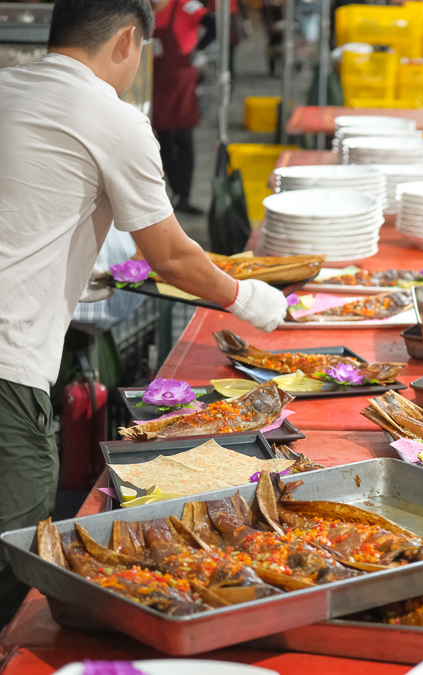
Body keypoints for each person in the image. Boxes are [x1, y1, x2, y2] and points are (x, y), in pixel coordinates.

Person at [0, 0, 287, 625]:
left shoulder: (7, 87)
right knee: (12, 567)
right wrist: (254, 301)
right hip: (7, 374)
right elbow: (173, 258)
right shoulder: (113, 117)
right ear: (128, 41)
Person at [152, 0, 215, 215]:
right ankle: (176, 193)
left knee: (184, 139)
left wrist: (197, 51)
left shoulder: (185, 5)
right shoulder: (142, 10)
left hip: (182, 83)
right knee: (164, 141)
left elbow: (213, 24)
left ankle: (184, 194)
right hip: (157, 83)